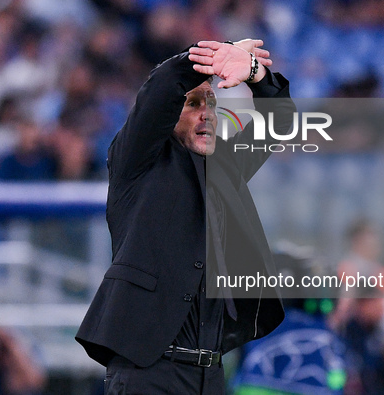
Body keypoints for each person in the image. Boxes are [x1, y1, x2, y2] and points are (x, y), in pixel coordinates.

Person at [76, 38, 296, 394]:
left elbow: (281, 121)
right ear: (168, 116)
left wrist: (255, 73)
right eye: (192, 104)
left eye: (210, 102)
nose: (206, 112)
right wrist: (213, 56)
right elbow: (160, 88)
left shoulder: (225, 166)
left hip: (210, 374)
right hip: (148, 371)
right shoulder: (137, 160)